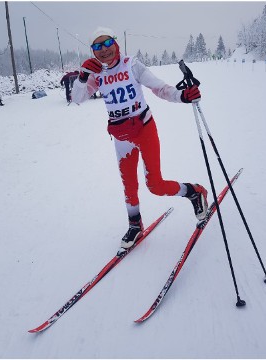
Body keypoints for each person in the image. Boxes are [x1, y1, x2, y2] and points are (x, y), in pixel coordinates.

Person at [71, 27, 207, 251]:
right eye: (97, 46)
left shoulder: (131, 64)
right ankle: (135, 224)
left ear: (116, 44)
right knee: (129, 186)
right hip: (121, 136)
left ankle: (194, 191)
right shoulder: (95, 75)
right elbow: (77, 98)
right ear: (92, 51)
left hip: (144, 129)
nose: (104, 50)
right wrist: (83, 76)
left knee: (155, 185)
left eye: (107, 44)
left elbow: (160, 88)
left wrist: (182, 96)